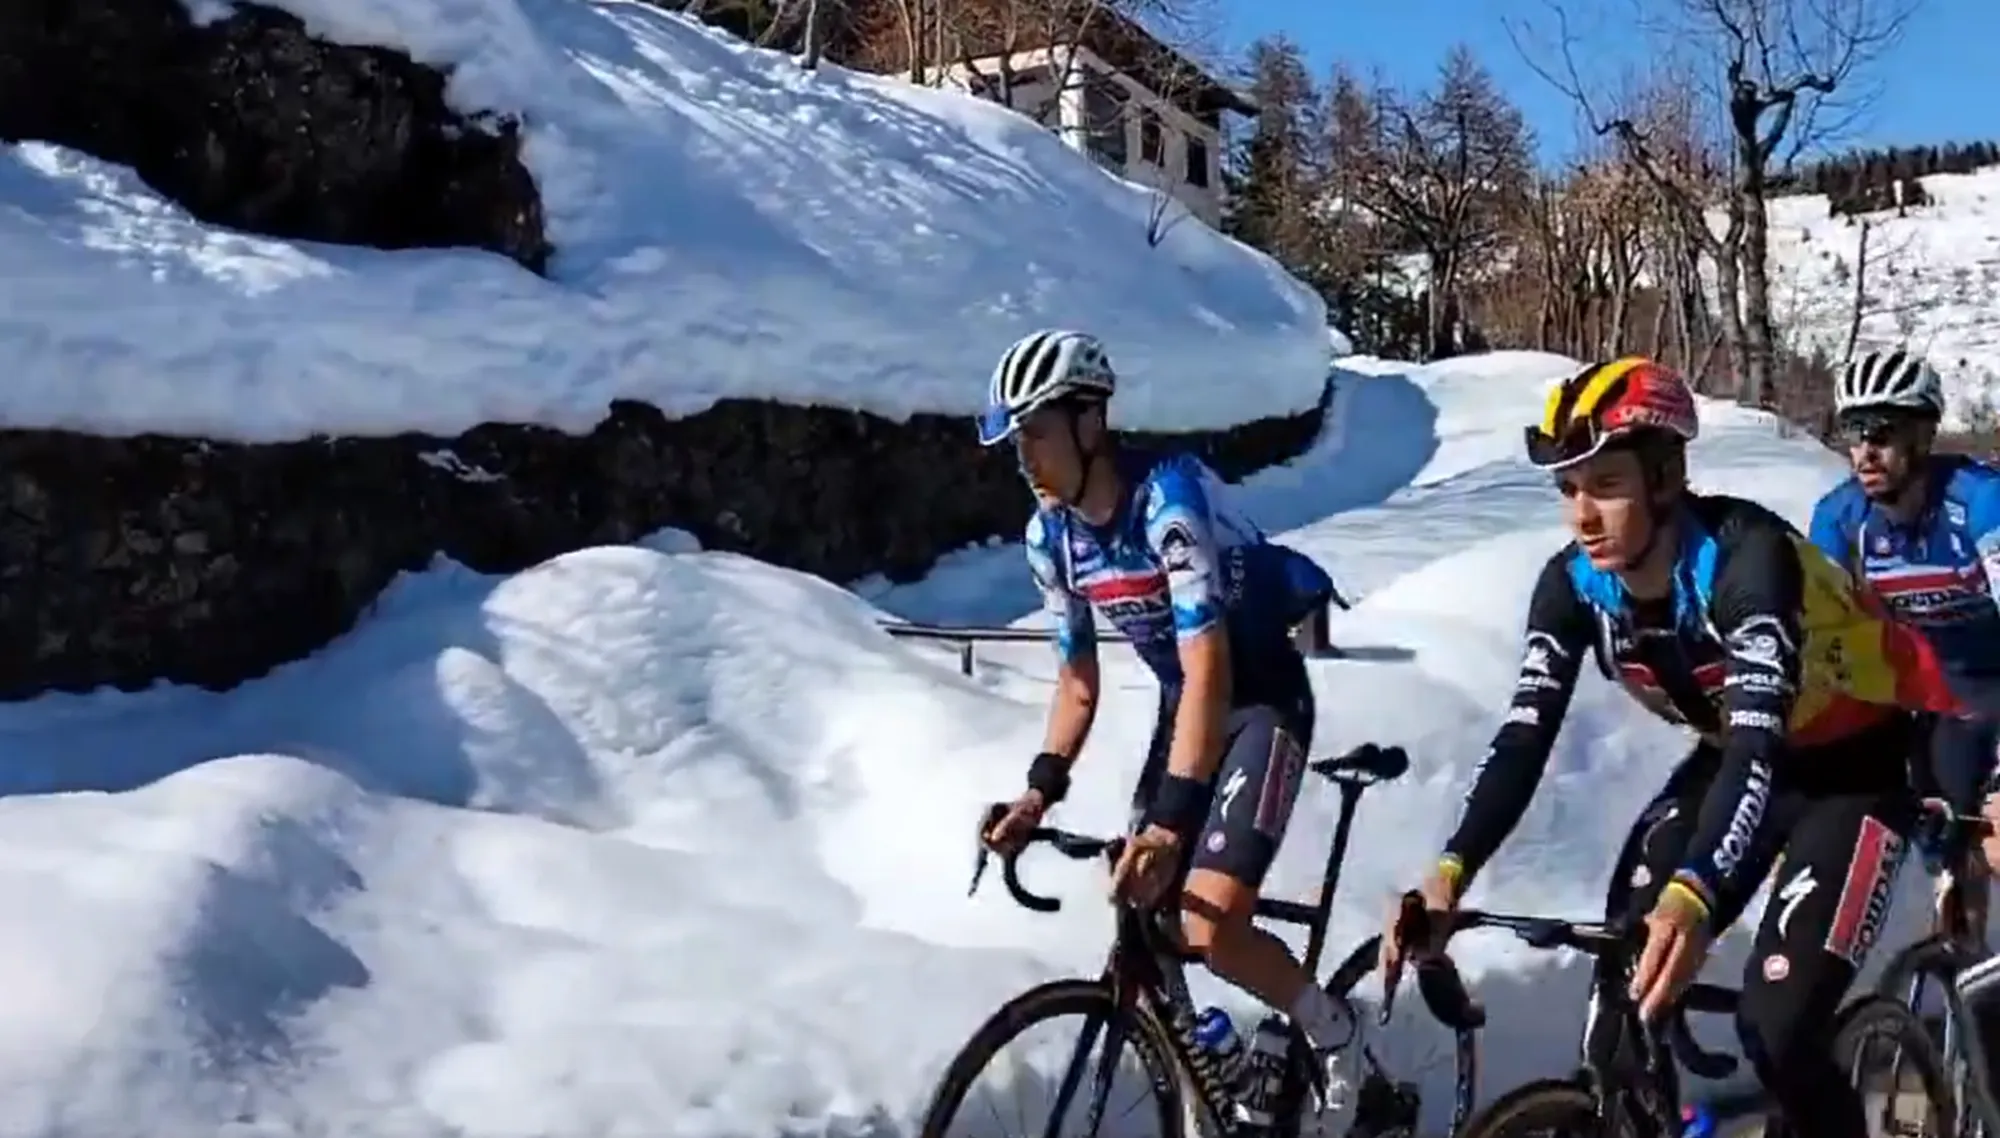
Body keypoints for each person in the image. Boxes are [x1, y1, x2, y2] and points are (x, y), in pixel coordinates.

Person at [1379, 356, 1964, 1138]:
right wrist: (1449, 872)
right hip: (1738, 759)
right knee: (1623, 981)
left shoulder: (1747, 559)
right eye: (1567, 489)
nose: (1583, 516)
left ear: (1665, 479)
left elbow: (1758, 745)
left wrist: (1694, 896)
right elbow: (1523, 738)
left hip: (1854, 767)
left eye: (1605, 485)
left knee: (1778, 1028)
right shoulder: (1574, 587)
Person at [972, 329, 1353, 1104]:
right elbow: (1077, 684)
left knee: (1209, 924)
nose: (1024, 459)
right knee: (1138, 900)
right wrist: (1037, 795)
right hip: (1189, 707)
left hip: (1260, 698)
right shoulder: (1051, 539)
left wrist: (1170, 825)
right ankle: (1218, 1072)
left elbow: (1210, 665)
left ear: (1089, 422)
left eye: (1036, 433)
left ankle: (1337, 1033)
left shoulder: (1167, 500)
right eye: (1015, 442)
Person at [1808, 348, 2000, 948]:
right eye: (1853, 432)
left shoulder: (1979, 500)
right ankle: (1966, 969)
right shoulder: (1841, 518)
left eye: (1882, 432)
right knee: (1951, 844)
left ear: (1922, 436)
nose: (1865, 450)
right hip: (1938, 697)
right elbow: (1822, 641)